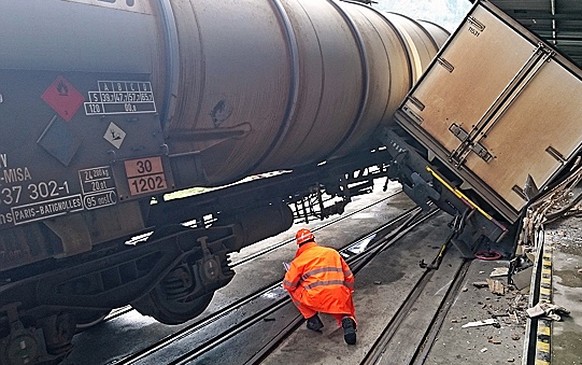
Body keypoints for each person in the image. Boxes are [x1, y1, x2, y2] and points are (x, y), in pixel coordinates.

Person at [282, 228, 357, 345]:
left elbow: (288, 285)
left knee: (292, 290)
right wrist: (348, 292)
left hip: (314, 299)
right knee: (344, 303)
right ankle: (346, 319)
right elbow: (349, 277)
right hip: (338, 295)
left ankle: (312, 319)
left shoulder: (298, 261)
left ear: (299, 245)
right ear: (313, 239)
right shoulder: (332, 253)